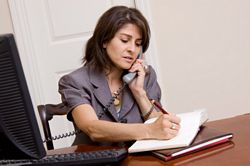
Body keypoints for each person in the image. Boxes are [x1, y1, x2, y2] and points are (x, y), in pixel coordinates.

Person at [58, 6, 181, 147]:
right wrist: (148, 130)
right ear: (104, 41)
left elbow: (159, 128)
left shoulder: (145, 76)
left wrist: (139, 93)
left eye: (138, 44)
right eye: (124, 40)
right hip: (96, 160)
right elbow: (92, 128)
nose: (132, 49)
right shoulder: (75, 81)